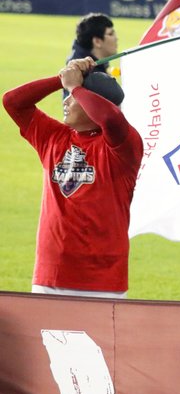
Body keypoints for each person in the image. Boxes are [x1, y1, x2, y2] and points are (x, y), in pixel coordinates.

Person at [4, 58, 140, 297]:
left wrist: (76, 87)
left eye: (74, 98)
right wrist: (61, 80)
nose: (66, 101)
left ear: (93, 104)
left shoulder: (123, 145)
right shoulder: (54, 137)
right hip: (49, 276)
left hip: (102, 283)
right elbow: (13, 102)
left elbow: (110, 118)